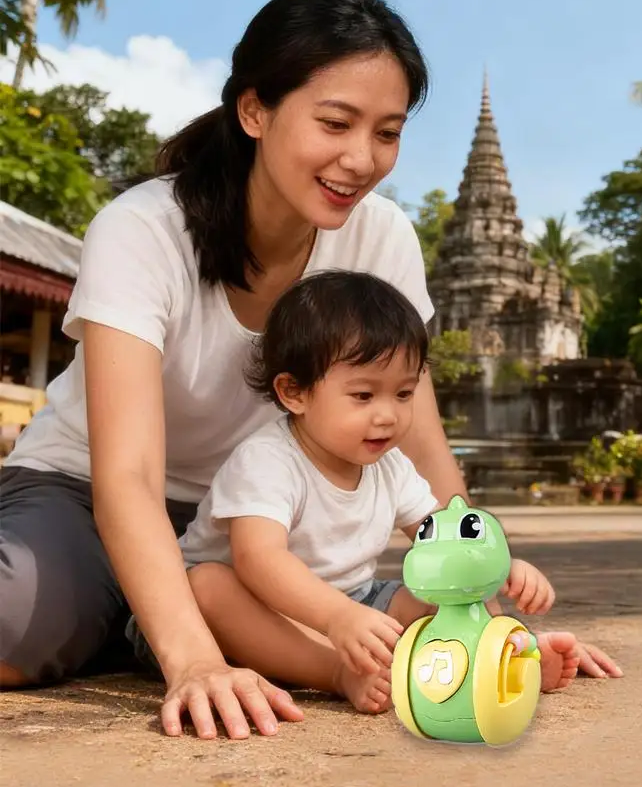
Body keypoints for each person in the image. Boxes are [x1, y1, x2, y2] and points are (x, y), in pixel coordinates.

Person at [0, 0, 621, 741]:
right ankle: (146, 616)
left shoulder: (382, 238)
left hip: (263, 525)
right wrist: (194, 659)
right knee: (16, 632)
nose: (360, 160)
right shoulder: (143, 230)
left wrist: (489, 625)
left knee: (371, 615)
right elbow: (125, 474)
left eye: (387, 133)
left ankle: (150, 615)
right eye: (335, 122)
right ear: (255, 110)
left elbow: (422, 444)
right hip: (87, 491)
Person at [150, 269, 581, 715]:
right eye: (363, 395)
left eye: (403, 393)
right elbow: (259, 560)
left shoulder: (390, 466)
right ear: (294, 392)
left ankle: (501, 657)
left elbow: (445, 537)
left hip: (356, 601)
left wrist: (496, 565)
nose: (387, 415)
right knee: (207, 585)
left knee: (443, 590)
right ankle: (336, 671)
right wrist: (337, 619)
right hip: (248, 611)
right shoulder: (267, 461)